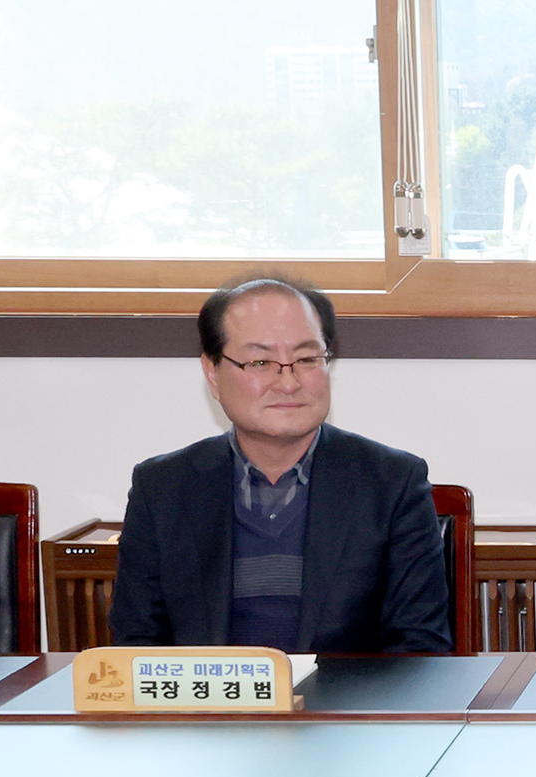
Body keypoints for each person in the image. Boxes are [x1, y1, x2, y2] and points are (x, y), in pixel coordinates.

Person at [109, 275, 454, 653]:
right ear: (212, 373)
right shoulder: (162, 487)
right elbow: (138, 646)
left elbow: (420, 646)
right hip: (209, 709)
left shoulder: (392, 482)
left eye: (307, 359)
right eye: (260, 361)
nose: (288, 382)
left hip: (343, 708)